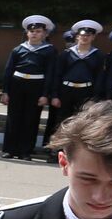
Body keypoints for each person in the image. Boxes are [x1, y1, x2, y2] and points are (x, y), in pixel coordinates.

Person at [0, 15, 59, 160]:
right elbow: (8, 72)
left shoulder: (50, 51)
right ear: (27, 33)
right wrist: (5, 91)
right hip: (17, 85)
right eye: (32, 31)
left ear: (45, 34)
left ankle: (25, 151)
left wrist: (45, 94)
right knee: (13, 118)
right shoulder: (18, 50)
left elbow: (50, 74)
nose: (34, 34)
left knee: (31, 119)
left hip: (36, 86)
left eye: (38, 31)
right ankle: (9, 149)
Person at [43, 19, 106, 156]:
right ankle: (56, 150)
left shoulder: (98, 55)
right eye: (82, 35)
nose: (84, 38)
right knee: (61, 121)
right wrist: (54, 95)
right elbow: (57, 75)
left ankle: (75, 152)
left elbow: (99, 77)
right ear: (77, 36)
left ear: (93, 37)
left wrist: (95, 98)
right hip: (66, 91)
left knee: (81, 123)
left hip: (85, 91)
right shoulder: (66, 54)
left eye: (88, 36)